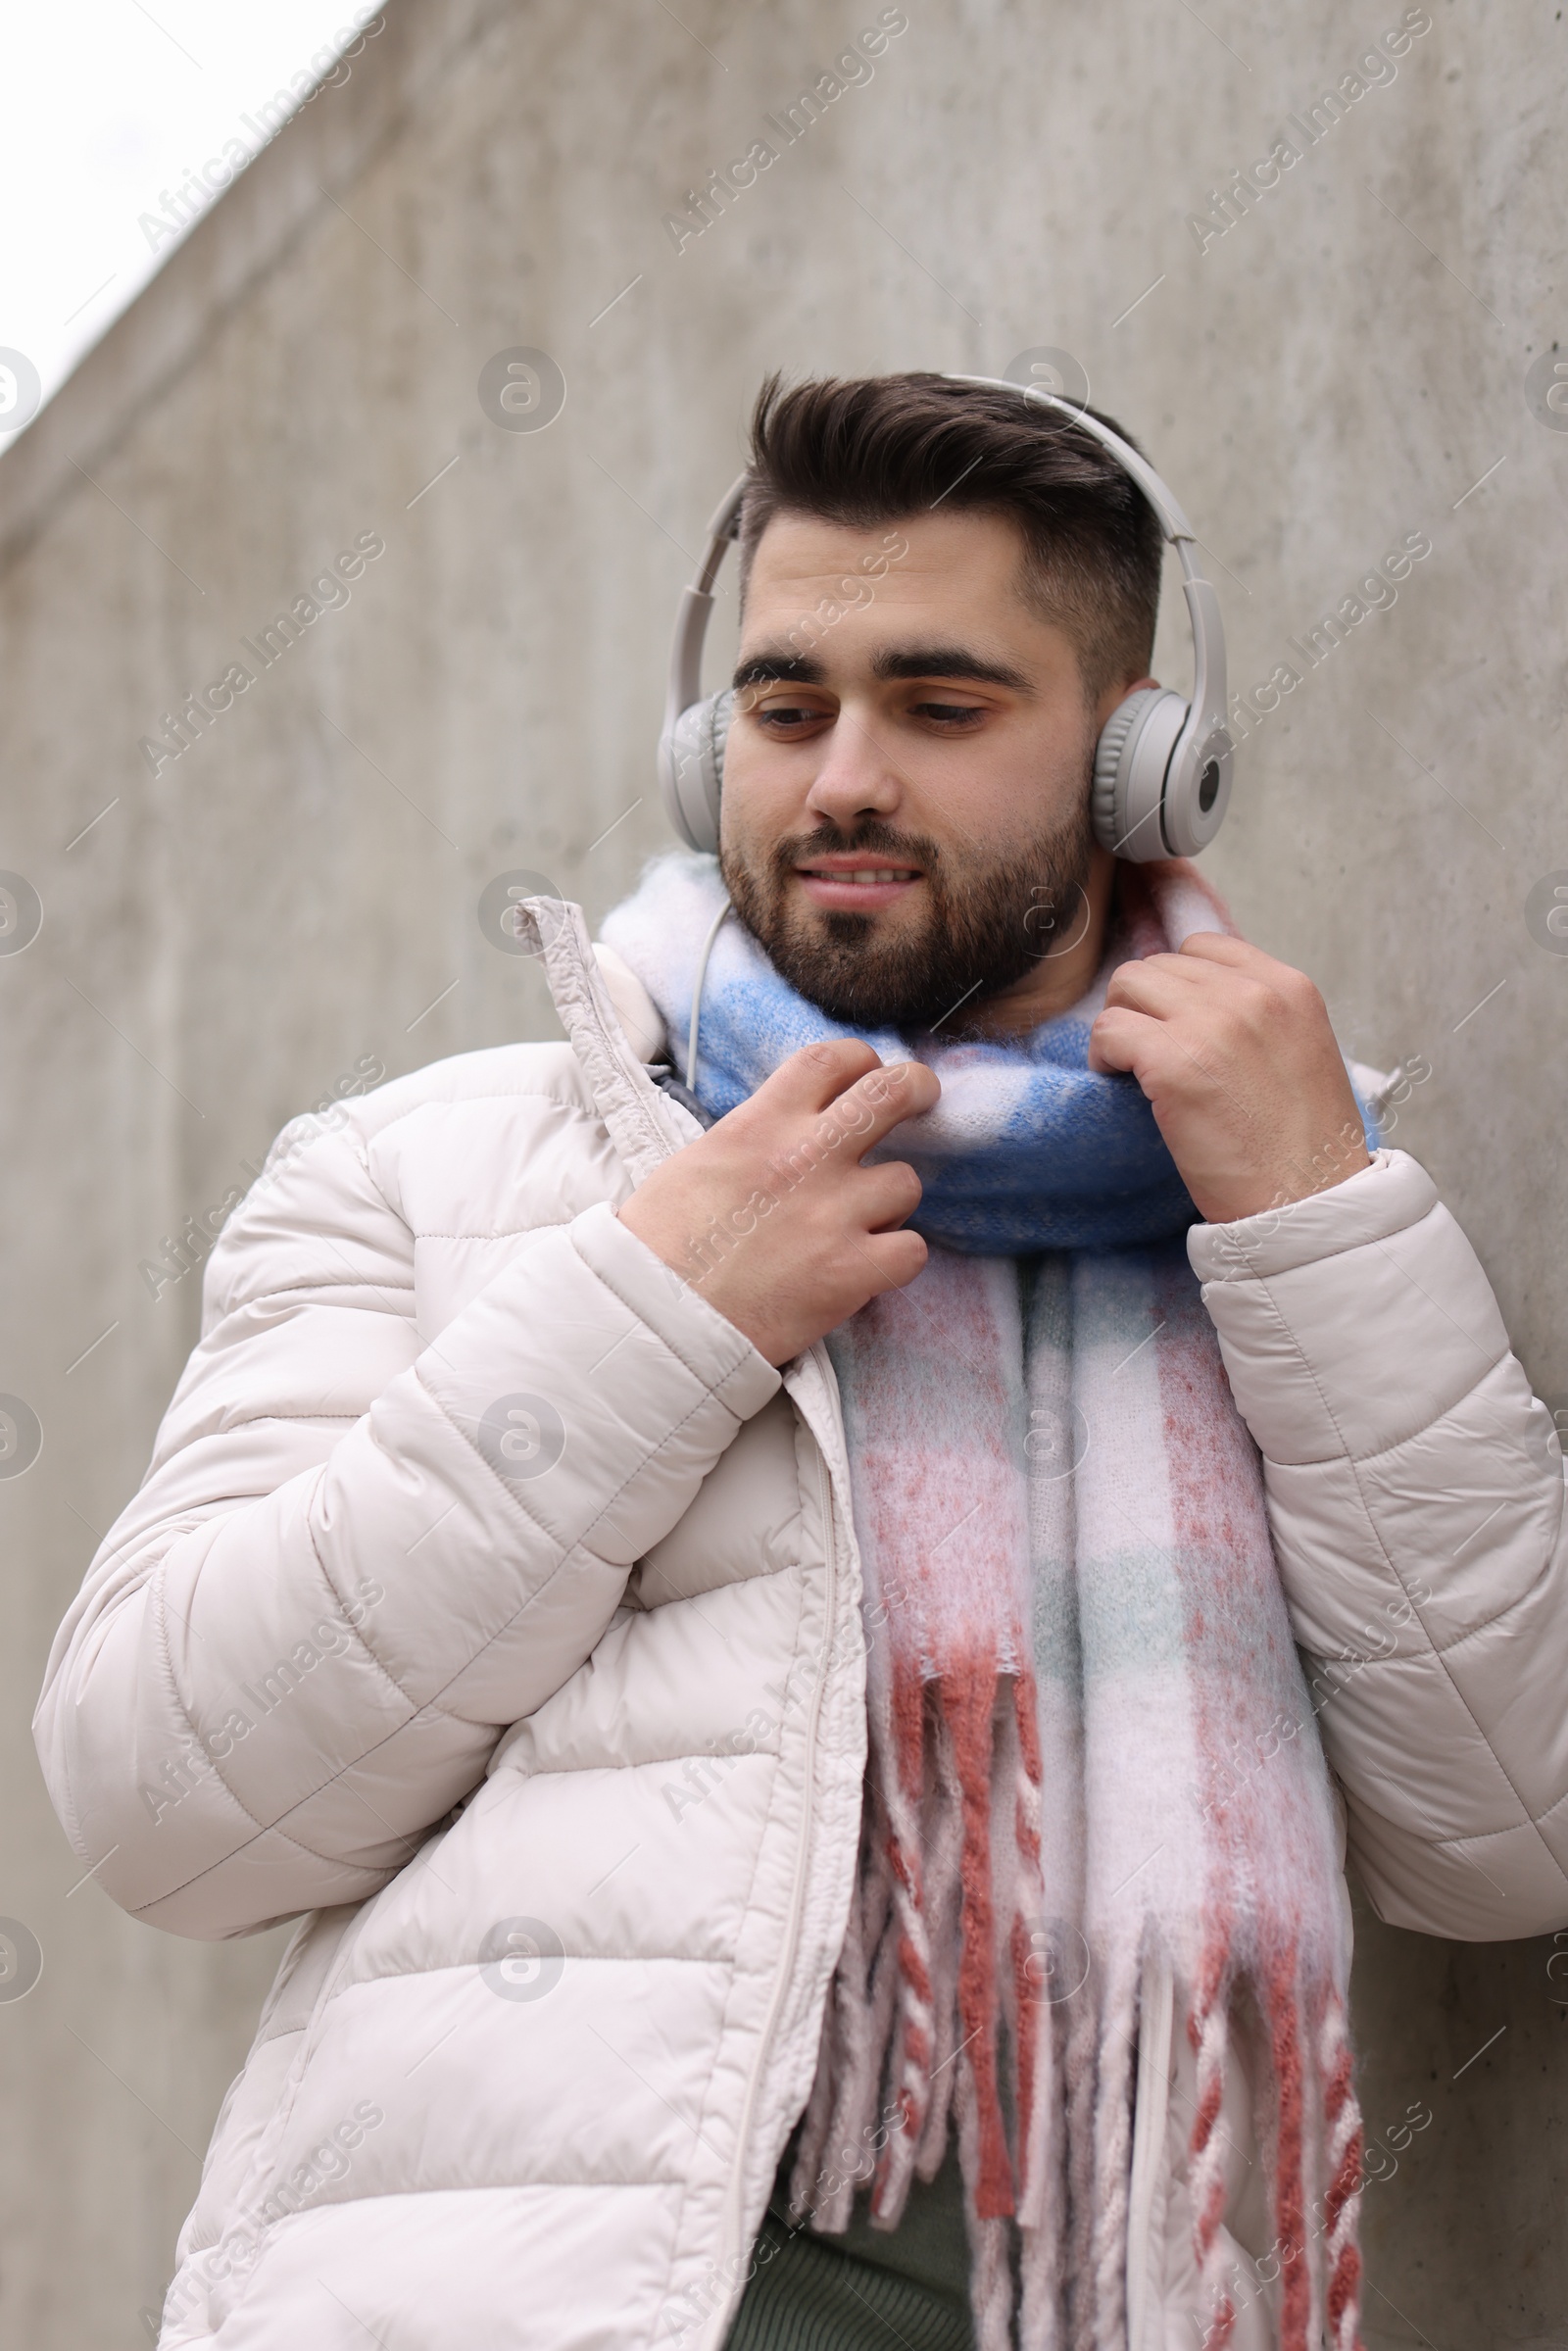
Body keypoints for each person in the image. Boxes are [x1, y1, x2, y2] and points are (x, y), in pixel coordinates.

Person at [36, 374, 1568, 2351]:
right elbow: (167, 1800)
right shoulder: (437, 1174)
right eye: (782, 709)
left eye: (939, 709)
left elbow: (1507, 1837)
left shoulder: (1281, 1200)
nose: (840, 776)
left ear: (1139, 764)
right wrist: (647, 1316)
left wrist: (1310, 1227)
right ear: (705, 752)